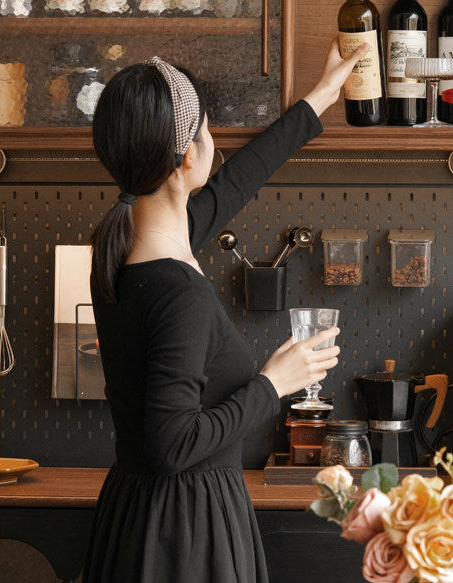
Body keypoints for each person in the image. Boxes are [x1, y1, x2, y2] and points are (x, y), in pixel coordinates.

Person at [82, 37, 370, 582]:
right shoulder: (178, 290)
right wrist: (273, 383)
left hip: (139, 518)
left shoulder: (122, 248)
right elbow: (172, 445)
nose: (214, 147)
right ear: (189, 155)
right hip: (185, 533)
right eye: (208, 131)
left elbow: (238, 181)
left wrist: (321, 97)